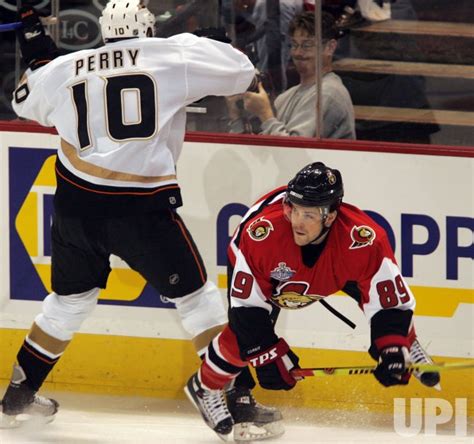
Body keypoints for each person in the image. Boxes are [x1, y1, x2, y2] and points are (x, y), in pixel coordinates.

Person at [0, 0, 275, 435]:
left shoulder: (67, 66)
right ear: (147, 28)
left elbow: (23, 102)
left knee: (69, 303)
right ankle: (233, 400)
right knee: (198, 301)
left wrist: (40, 51)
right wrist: (195, 42)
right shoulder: (171, 54)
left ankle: (16, 396)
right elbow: (242, 72)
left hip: (75, 209)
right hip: (139, 208)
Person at [185, 161, 440, 438]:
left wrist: (391, 345)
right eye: (292, 209)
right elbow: (247, 313)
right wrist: (266, 353)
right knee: (243, 337)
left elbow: (387, 300)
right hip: (270, 267)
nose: (296, 221)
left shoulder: (363, 241)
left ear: (330, 216)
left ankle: (406, 343)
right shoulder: (261, 237)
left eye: (308, 215)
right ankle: (205, 385)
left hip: (332, 262)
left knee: (385, 316)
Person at [227, 11, 356, 139]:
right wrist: (236, 116)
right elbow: (265, 153)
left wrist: (265, 114)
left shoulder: (328, 93)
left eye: (307, 45)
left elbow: (294, 152)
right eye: (294, 45)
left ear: (330, 47)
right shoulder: (285, 98)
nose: (298, 52)